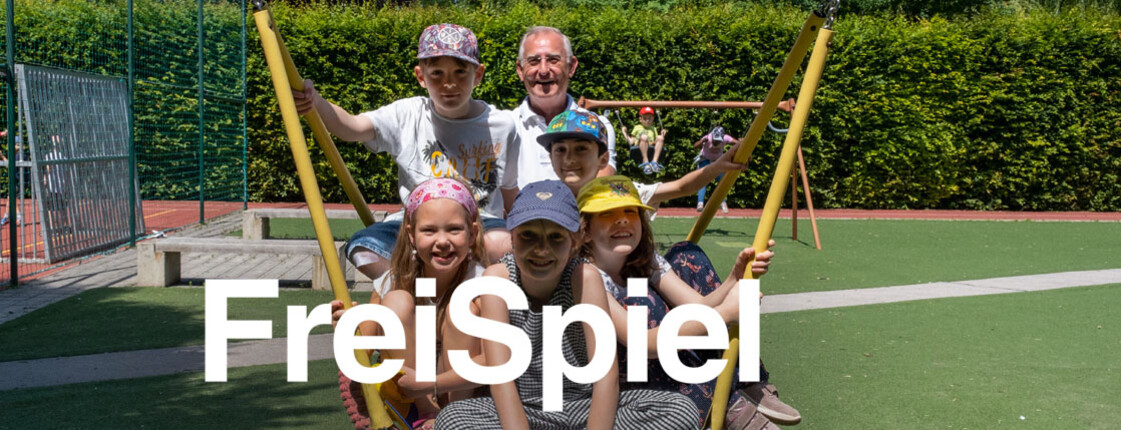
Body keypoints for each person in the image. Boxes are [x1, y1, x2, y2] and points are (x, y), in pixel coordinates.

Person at [433, 180, 697, 430]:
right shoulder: (497, 279)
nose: (541, 249)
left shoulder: (584, 277)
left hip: (582, 407)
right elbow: (502, 379)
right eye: (529, 235)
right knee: (452, 418)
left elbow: (605, 376)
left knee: (679, 410)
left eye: (556, 237)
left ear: (575, 241)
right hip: (524, 409)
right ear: (512, 238)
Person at [292, 23, 519, 282]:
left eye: (460, 72)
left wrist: (524, 230)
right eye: (437, 73)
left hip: (479, 225)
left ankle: (459, 290)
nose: (449, 83)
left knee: (507, 243)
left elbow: (510, 190)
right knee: (363, 248)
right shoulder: (407, 114)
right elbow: (351, 127)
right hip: (417, 227)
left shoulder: (502, 125)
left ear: (477, 75)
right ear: (420, 76)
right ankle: (409, 289)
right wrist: (315, 100)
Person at [577, 176, 799, 429]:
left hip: (661, 358)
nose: (622, 219)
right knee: (642, 300)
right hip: (627, 378)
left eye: (631, 211)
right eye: (606, 213)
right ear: (584, 231)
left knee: (687, 254)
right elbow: (642, 344)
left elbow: (699, 307)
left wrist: (733, 280)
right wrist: (725, 314)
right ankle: (722, 398)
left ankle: (744, 382)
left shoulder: (644, 259)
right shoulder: (586, 276)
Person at [330, 178, 489, 429]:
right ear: (411, 235)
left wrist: (435, 383)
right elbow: (366, 343)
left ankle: (455, 415)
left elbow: (494, 359)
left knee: (463, 306)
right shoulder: (394, 280)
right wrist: (348, 325)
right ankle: (426, 409)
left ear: (473, 234)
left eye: (454, 229)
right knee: (397, 301)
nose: (442, 241)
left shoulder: (481, 282)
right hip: (414, 392)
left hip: (461, 387)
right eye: (429, 230)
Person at [512, 26, 618, 190]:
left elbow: (596, 191)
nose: (543, 70)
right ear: (520, 70)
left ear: (571, 66)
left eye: (553, 60)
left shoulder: (597, 125)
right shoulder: (504, 126)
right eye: (533, 61)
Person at [694, 126, 740, 213]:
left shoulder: (726, 138)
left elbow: (737, 143)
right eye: (715, 140)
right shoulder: (707, 137)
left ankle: (722, 202)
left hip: (717, 161)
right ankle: (700, 203)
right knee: (703, 181)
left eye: (718, 140)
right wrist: (702, 141)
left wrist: (741, 142)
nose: (716, 142)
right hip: (705, 159)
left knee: (721, 181)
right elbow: (695, 146)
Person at [621, 106, 666, 175]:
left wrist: (662, 135)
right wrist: (624, 132)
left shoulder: (653, 128)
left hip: (651, 146)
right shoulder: (637, 127)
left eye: (649, 118)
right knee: (644, 137)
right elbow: (631, 141)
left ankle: (654, 162)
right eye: (645, 118)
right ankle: (646, 161)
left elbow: (657, 142)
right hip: (639, 147)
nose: (647, 120)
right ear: (640, 119)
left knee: (660, 138)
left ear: (653, 119)